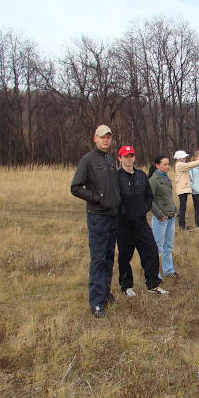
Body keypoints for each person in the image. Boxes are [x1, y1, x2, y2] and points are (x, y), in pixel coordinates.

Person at [70, 124, 120, 319]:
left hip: (112, 215)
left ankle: (105, 293)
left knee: (109, 257)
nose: (106, 140)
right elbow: (75, 187)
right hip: (98, 216)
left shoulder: (109, 160)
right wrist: (98, 198)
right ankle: (96, 303)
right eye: (102, 137)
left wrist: (117, 202)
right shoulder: (88, 160)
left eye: (108, 137)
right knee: (98, 259)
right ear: (95, 138)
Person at [116, 145, 170, 297]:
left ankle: (153, 284)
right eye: (126, 156)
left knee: (151, 251)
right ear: (120, 158)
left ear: (134, 157)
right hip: (124, 225)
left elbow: (148, 195)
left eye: (131, 155)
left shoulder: (141, 175)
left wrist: (143, 209)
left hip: (140, 222)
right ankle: (126, 286)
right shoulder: (117, 177)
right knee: (125, 256)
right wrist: (123, 213)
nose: (129, 159)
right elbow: (114, 199)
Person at [148, 155, 179, 278]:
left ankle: (169, 270)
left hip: (171, 217)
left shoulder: (167, 179)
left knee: (168, 246)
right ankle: (155, 274)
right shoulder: (153, 180)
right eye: (165, 164)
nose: (167, 166)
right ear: (157, 165)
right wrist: (160, 215)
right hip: (161, 219)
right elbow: (149, 200)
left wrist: (175, 210)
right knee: (158, 247)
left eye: (168, 164)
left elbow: (169, 198)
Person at [173, 150, 199, 231]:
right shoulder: (179, 165)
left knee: (183, 207)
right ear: (180, 158)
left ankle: (183, 225)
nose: (185, 158)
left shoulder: (180, 165)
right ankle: (182, 226)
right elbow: (190, 165)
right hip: (182, 189)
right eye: (184, 157)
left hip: (183, 189)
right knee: (182, 208)